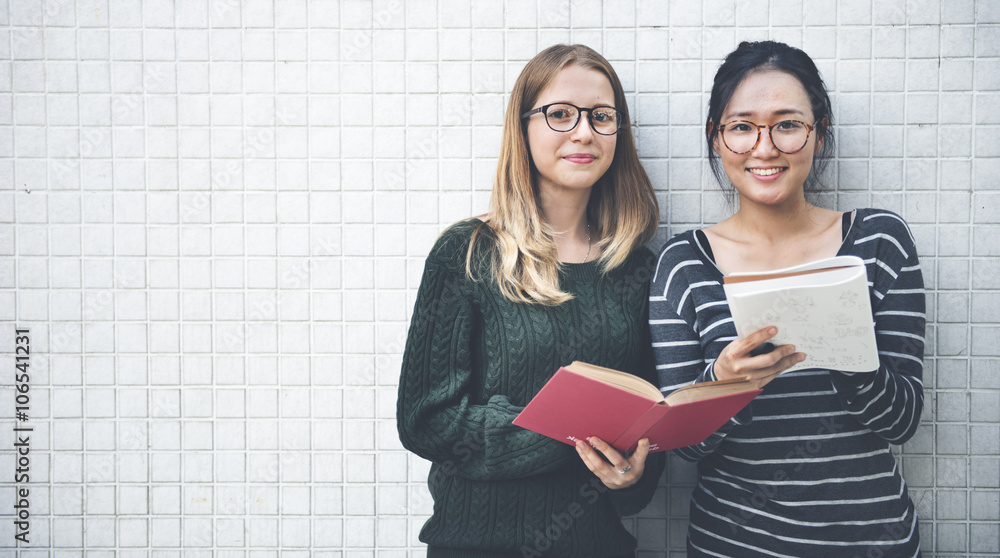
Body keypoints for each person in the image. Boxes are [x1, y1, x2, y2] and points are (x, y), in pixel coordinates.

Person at [649, 40, 925, 557]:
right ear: (717, 138)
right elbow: (684, 446)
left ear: (819, 133)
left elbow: (901, 421)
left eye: (788, 124)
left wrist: (850, 356)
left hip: (871, 538)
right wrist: (724, 385)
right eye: (742, 126)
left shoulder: (879, 243)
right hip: (734, 543)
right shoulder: (683, 263)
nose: (765, 147)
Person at [397, 44, 665, 557]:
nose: (584, 132)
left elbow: (647, 434)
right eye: (560, 114)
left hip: (598, 546)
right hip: (476, 545)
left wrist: (631, 475)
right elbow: (425, 420)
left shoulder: (638, 268)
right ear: (523, 128)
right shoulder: (467, 253)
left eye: (602, 117)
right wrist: (564, 433)